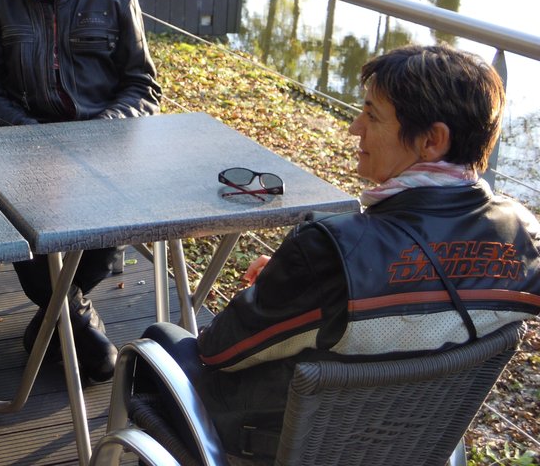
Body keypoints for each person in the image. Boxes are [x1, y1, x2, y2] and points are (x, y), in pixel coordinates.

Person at [136, 44, 540, 462]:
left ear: (431, 141)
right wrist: (297, 281)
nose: (353, 128)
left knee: (159, 342)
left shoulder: (330, 251)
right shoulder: (524, 238)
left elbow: (218, 352)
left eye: (372, 115)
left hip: (271, 447)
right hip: (411, 448)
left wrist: (297, 278)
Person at [0, 0, 162, 383]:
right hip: (22, 155)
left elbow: (143, 86)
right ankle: (76, 316)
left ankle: (52, 321)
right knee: (32, 247)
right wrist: (34, 140)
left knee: (101, 245)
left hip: (102, 155)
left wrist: (98, 135)